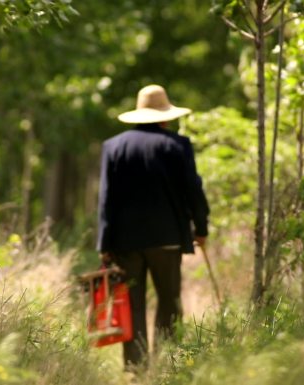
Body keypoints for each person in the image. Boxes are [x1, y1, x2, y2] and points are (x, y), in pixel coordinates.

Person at [96, 84, 209, 367]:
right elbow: (193, 190)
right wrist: (201, 227)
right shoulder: (177, 145)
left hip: (125, 242)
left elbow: (106, 199)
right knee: (169, 300)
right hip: (167, 238)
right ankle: (167, 364)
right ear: (165, 116)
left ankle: (135, 369)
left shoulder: (113, 146)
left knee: (132, 304)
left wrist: (104, 244)